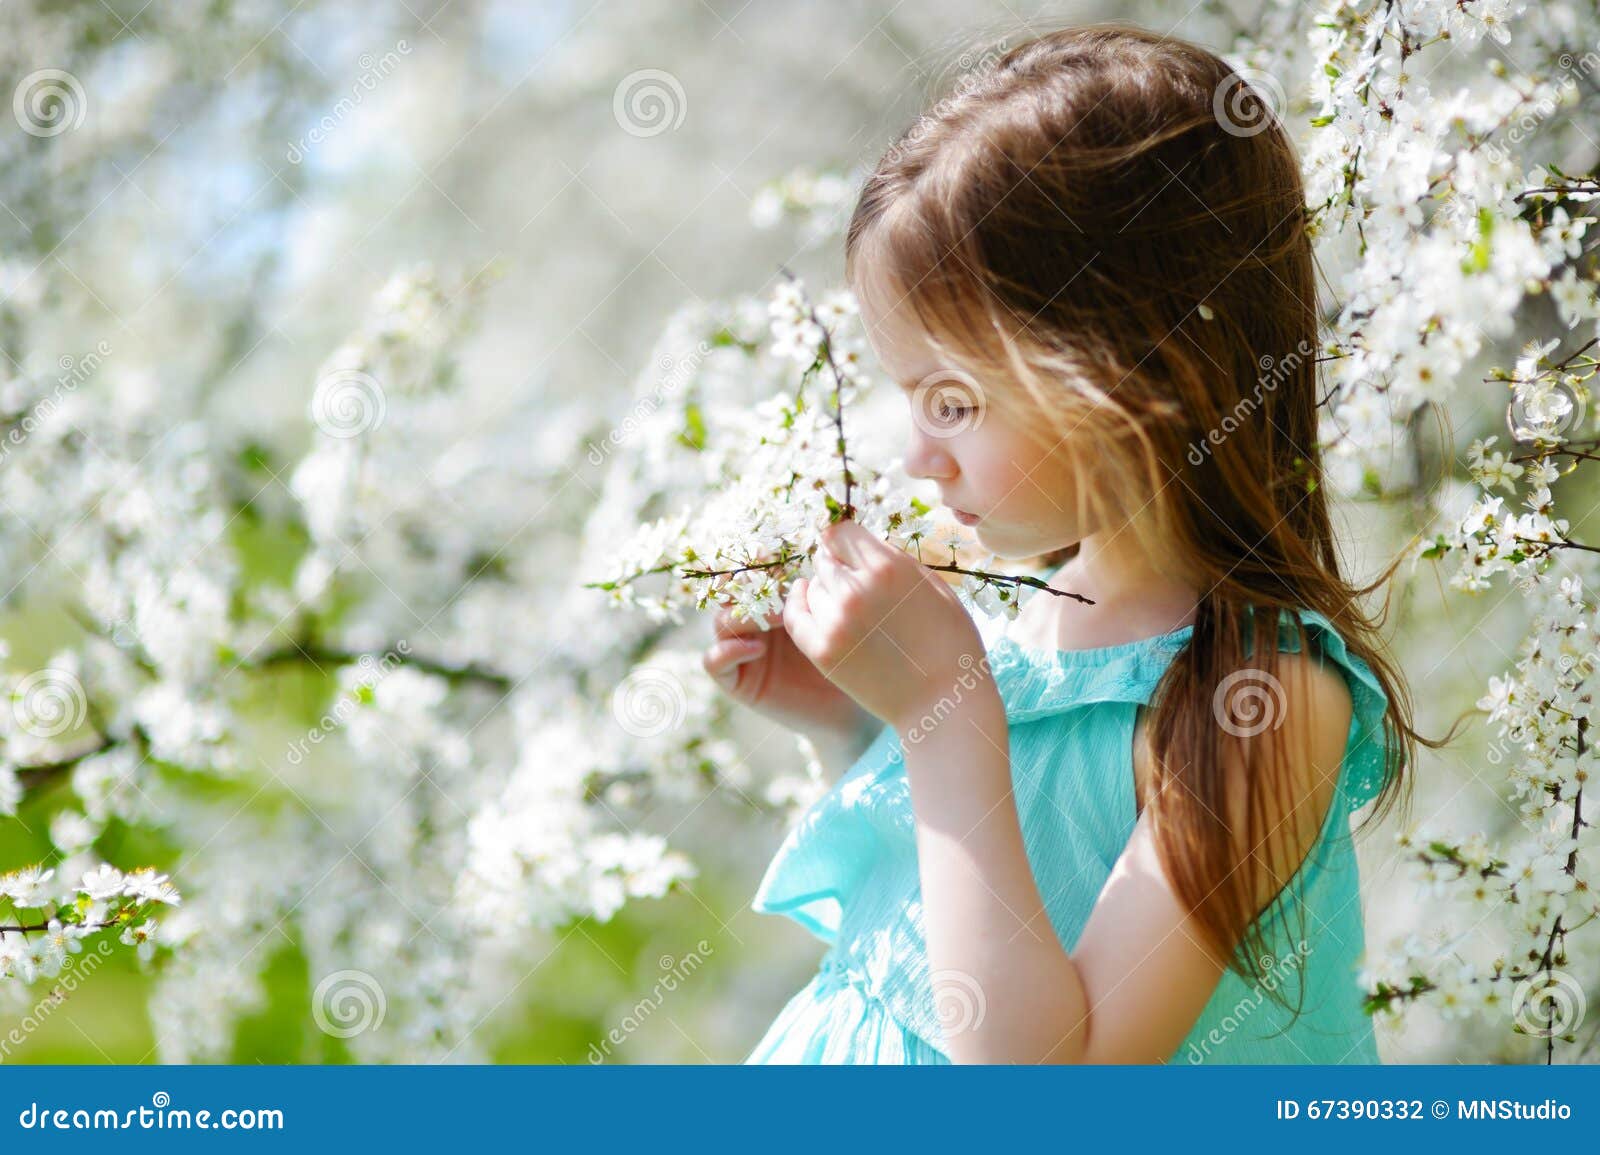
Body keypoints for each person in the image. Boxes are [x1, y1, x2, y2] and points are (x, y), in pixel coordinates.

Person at [703, 22, 1439, 1064]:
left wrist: (937, 711)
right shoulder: (1041, 617)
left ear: (1134, 369)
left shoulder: (1261, 698)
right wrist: (853, 726)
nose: (919, 457)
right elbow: (981, 883)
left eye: (953, 400)